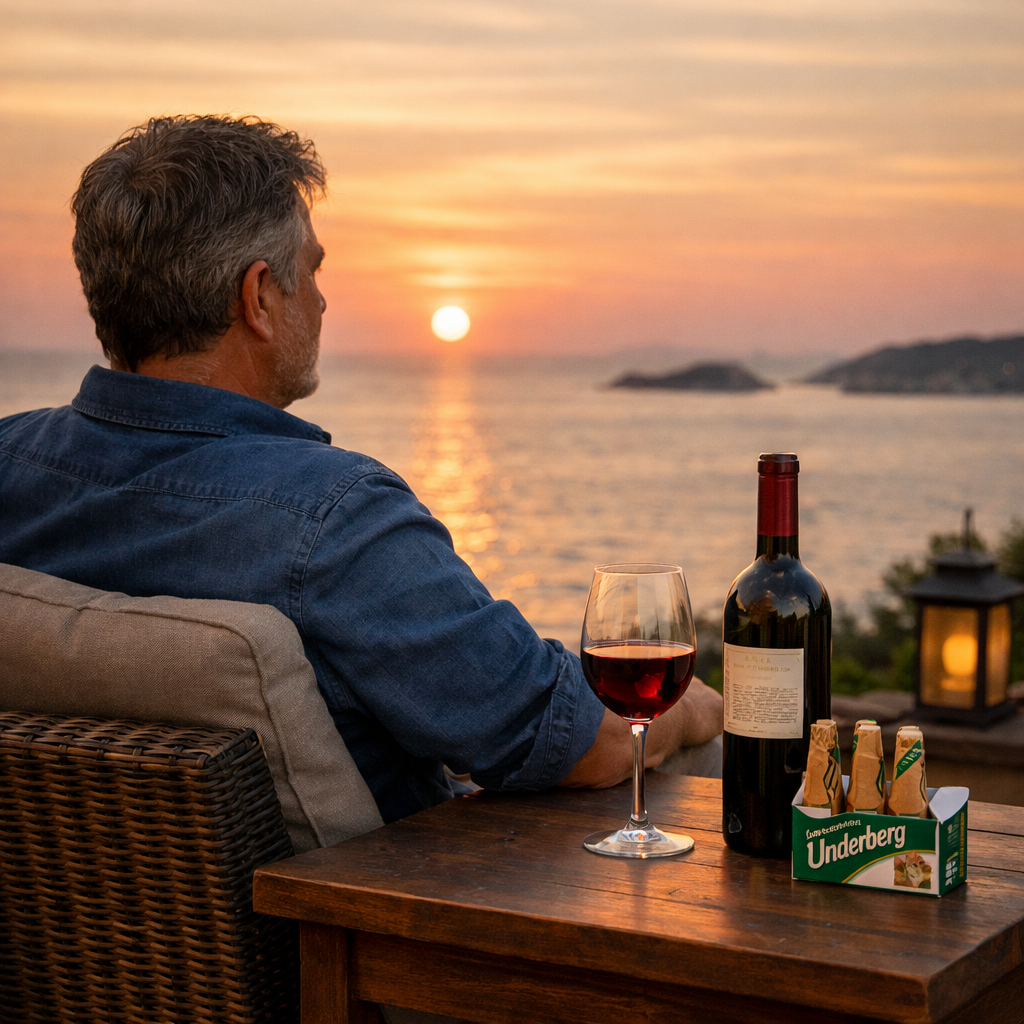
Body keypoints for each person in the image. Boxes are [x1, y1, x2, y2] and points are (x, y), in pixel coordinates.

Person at [0, 115, 722, 824]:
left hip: (75, 932)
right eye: (310, 272)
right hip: (359, 926)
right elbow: (570, 742)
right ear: (258, 298)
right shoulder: (334, 522)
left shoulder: (10, 467)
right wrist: (694, 713)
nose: (320, 299)